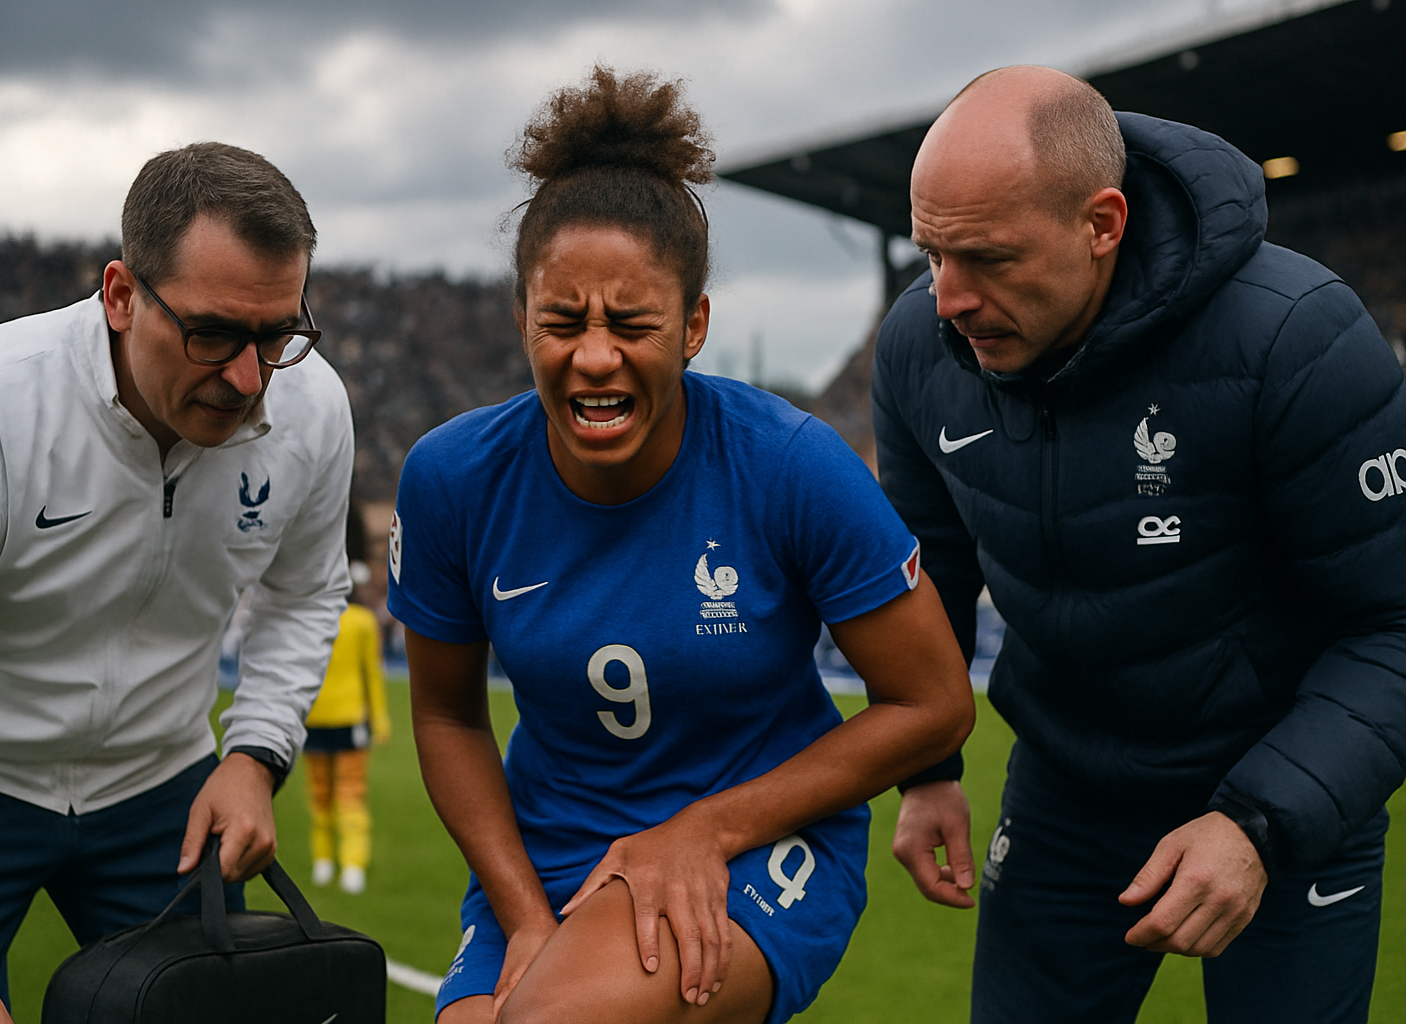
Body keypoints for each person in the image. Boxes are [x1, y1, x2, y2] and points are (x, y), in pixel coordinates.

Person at [387, 66, 974, 1024]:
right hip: (550, 855)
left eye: (632, 323)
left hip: (756, 842)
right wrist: (525, 919)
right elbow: (449, 718)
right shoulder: (452, 478)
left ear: (694, 326)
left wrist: (705, 829)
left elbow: (937, 701)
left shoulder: (789, 465)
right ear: (522, 319)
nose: (594, 354)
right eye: (563, 320)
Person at [874, 65, 1406, 1023]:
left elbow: (1395, 624)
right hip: (1064, 797)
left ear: (1102, 224)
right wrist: (928, 767)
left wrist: (1256, 825)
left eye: (987, 259)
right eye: (931, 255)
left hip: (1283, 796)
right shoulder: (921, 345)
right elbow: (925, 574)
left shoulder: (1297, 337)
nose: (948, 298)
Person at [0, 142, 354, 1023]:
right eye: (212, 333)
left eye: (278, 333)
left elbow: (306, 590)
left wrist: (254, 755)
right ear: (121, 295)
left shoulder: (312, 405)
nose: (249, 378)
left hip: (161, 790)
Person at [304, 550, 392, 896]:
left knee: (320, 794)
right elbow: (373, 672)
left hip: (314, 716)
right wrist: (380, 720)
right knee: (350, 794)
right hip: (348, 717)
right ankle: (349, 863)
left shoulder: (315, 617)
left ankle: (324, 861)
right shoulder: (363, 621)